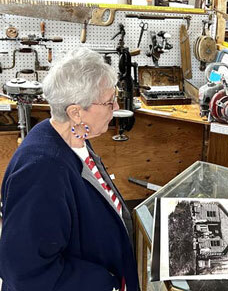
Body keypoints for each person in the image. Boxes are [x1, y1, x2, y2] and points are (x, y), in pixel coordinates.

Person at [0, 48, 140, 290]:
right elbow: (24, 272)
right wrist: (105, 281)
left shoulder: (74, 138)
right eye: (109, 102)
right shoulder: (42, 171)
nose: (116, 106)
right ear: (76, 112)